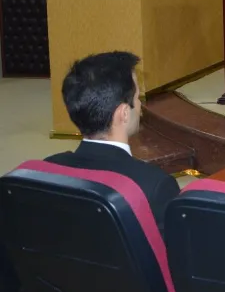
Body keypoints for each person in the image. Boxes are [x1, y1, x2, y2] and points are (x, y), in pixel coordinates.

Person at [45, 51, 180, 231]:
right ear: (124, 113)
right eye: (137, 98)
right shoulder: (155, 185)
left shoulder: (48, 170)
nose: (140, 105)